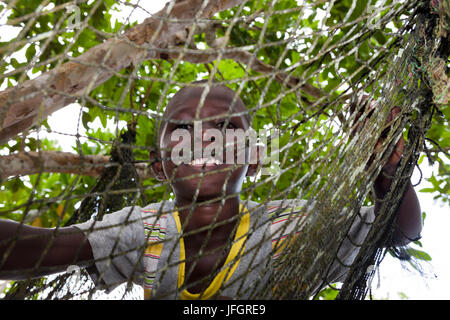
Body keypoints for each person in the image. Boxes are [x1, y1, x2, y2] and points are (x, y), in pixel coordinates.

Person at [0, 83, 422, 299]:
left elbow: (400, 233)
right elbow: (34, 249)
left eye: (225, 127)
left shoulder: (289, 227)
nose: (205, 140)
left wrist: (387, 169)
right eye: (183, 129)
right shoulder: (142, 231)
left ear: (254, 158)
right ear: (159, 165)